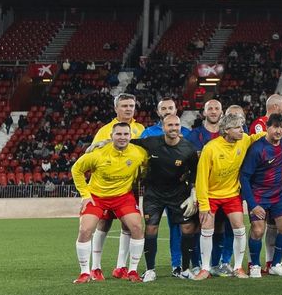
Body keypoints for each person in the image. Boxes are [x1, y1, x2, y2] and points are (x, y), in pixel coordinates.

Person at [191, 111, 266, 280]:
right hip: (211, 195)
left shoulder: (244, 139)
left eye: (242, 126)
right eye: (237, 127)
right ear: (226, 130)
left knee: (239, 228)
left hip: (232, 194)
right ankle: (205, 269)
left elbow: (259, 136)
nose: (242, 130)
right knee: (207, 229)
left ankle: (238, 267)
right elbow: (201, 179)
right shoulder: (210, 148)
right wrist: (203, 205)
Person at [70, 121, 149, 282]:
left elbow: (147, 167)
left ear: (130, 136)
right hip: (97, 197)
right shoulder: (98, 154)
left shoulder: (139, 153)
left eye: (126, 134)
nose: (122, 137)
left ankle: (132, 271)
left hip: (123, 196)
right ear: (111, 136)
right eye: (118, 134)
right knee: (85, 230)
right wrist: (85, 195)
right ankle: (85, 272)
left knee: (137, 227)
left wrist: (141, 176)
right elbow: (76, 169)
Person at [132, 114, 200, 279]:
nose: (173, 128)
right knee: (151, 228)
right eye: (170, 125)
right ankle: (150, 270)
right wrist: (103, 143)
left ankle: (185, 269)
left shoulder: (188, 149)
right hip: (153, 193)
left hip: (178, 193)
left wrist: (193, 192)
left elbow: (194, 173)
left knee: (188, 228)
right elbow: (128, 142)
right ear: (163, 127)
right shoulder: (152, 142)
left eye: (176, 125)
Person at [84, 93, 144, 279]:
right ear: (116, 108)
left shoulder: (140, 129)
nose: (128, 109)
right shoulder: (105, 130)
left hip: (130, 185)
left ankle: (121, 267)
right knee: (104, 223)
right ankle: (96, 267)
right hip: (106, 188)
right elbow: (91, 156)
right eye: (124, 106)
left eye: (131, 105)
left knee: (129, 225)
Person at [239, 111, 282, 278]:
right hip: (259, 195)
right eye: (275, 127)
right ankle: (254, 265)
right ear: (267, 128)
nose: (279, 131)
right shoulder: (257, 149)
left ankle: (275, 264)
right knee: (257, 230)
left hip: (278, 195)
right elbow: (244, 177)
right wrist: (253, 205)